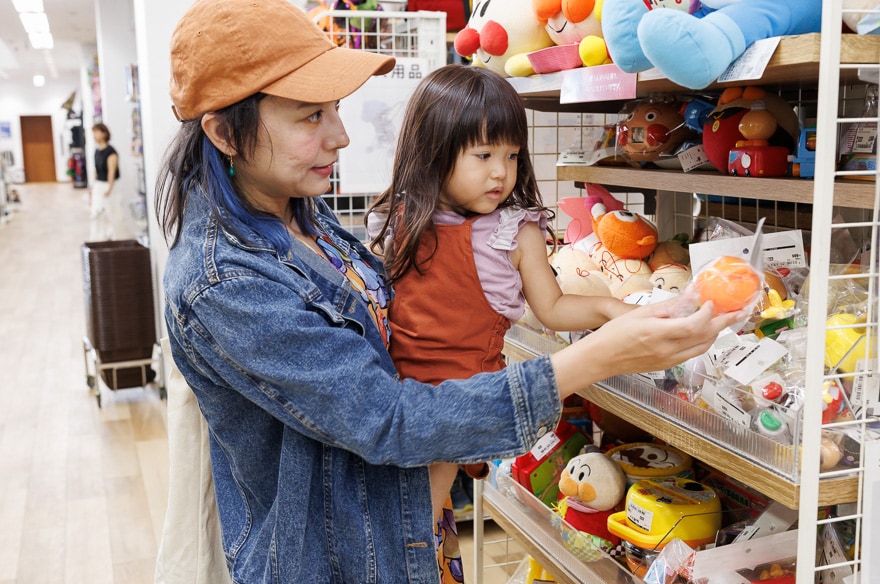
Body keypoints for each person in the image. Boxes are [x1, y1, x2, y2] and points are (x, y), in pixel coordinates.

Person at [156, 0, 745, 582]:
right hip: (345, 558)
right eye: (311, 116)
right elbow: (385, 418)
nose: (341, 136)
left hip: (402, 523)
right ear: (224, 133)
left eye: (335, 109)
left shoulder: (300, 215)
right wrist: (596, 356)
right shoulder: (228, 282)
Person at [366, 63, 635, 569]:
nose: (501, 172)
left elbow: (552, 308)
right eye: (484, 155)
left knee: (414, 532)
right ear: (435, 150)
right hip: (389, 398)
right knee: (396, 523)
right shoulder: (400, 219)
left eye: (512, 155)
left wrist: (606, 307)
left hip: (462, 401)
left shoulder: (515, 232)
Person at [89, 122, 132, 240]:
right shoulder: (97, 151)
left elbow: (111, 172)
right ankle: (100, 238)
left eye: (96, 132)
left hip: (109, 187)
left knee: (114, 213)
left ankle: (120, 239)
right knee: (98, 213)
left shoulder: (111, 152)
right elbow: (96, 170)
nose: (94, 135)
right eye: (93, 133)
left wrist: (109, 188)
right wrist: (93, 186)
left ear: (104, 133)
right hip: (99, 185)